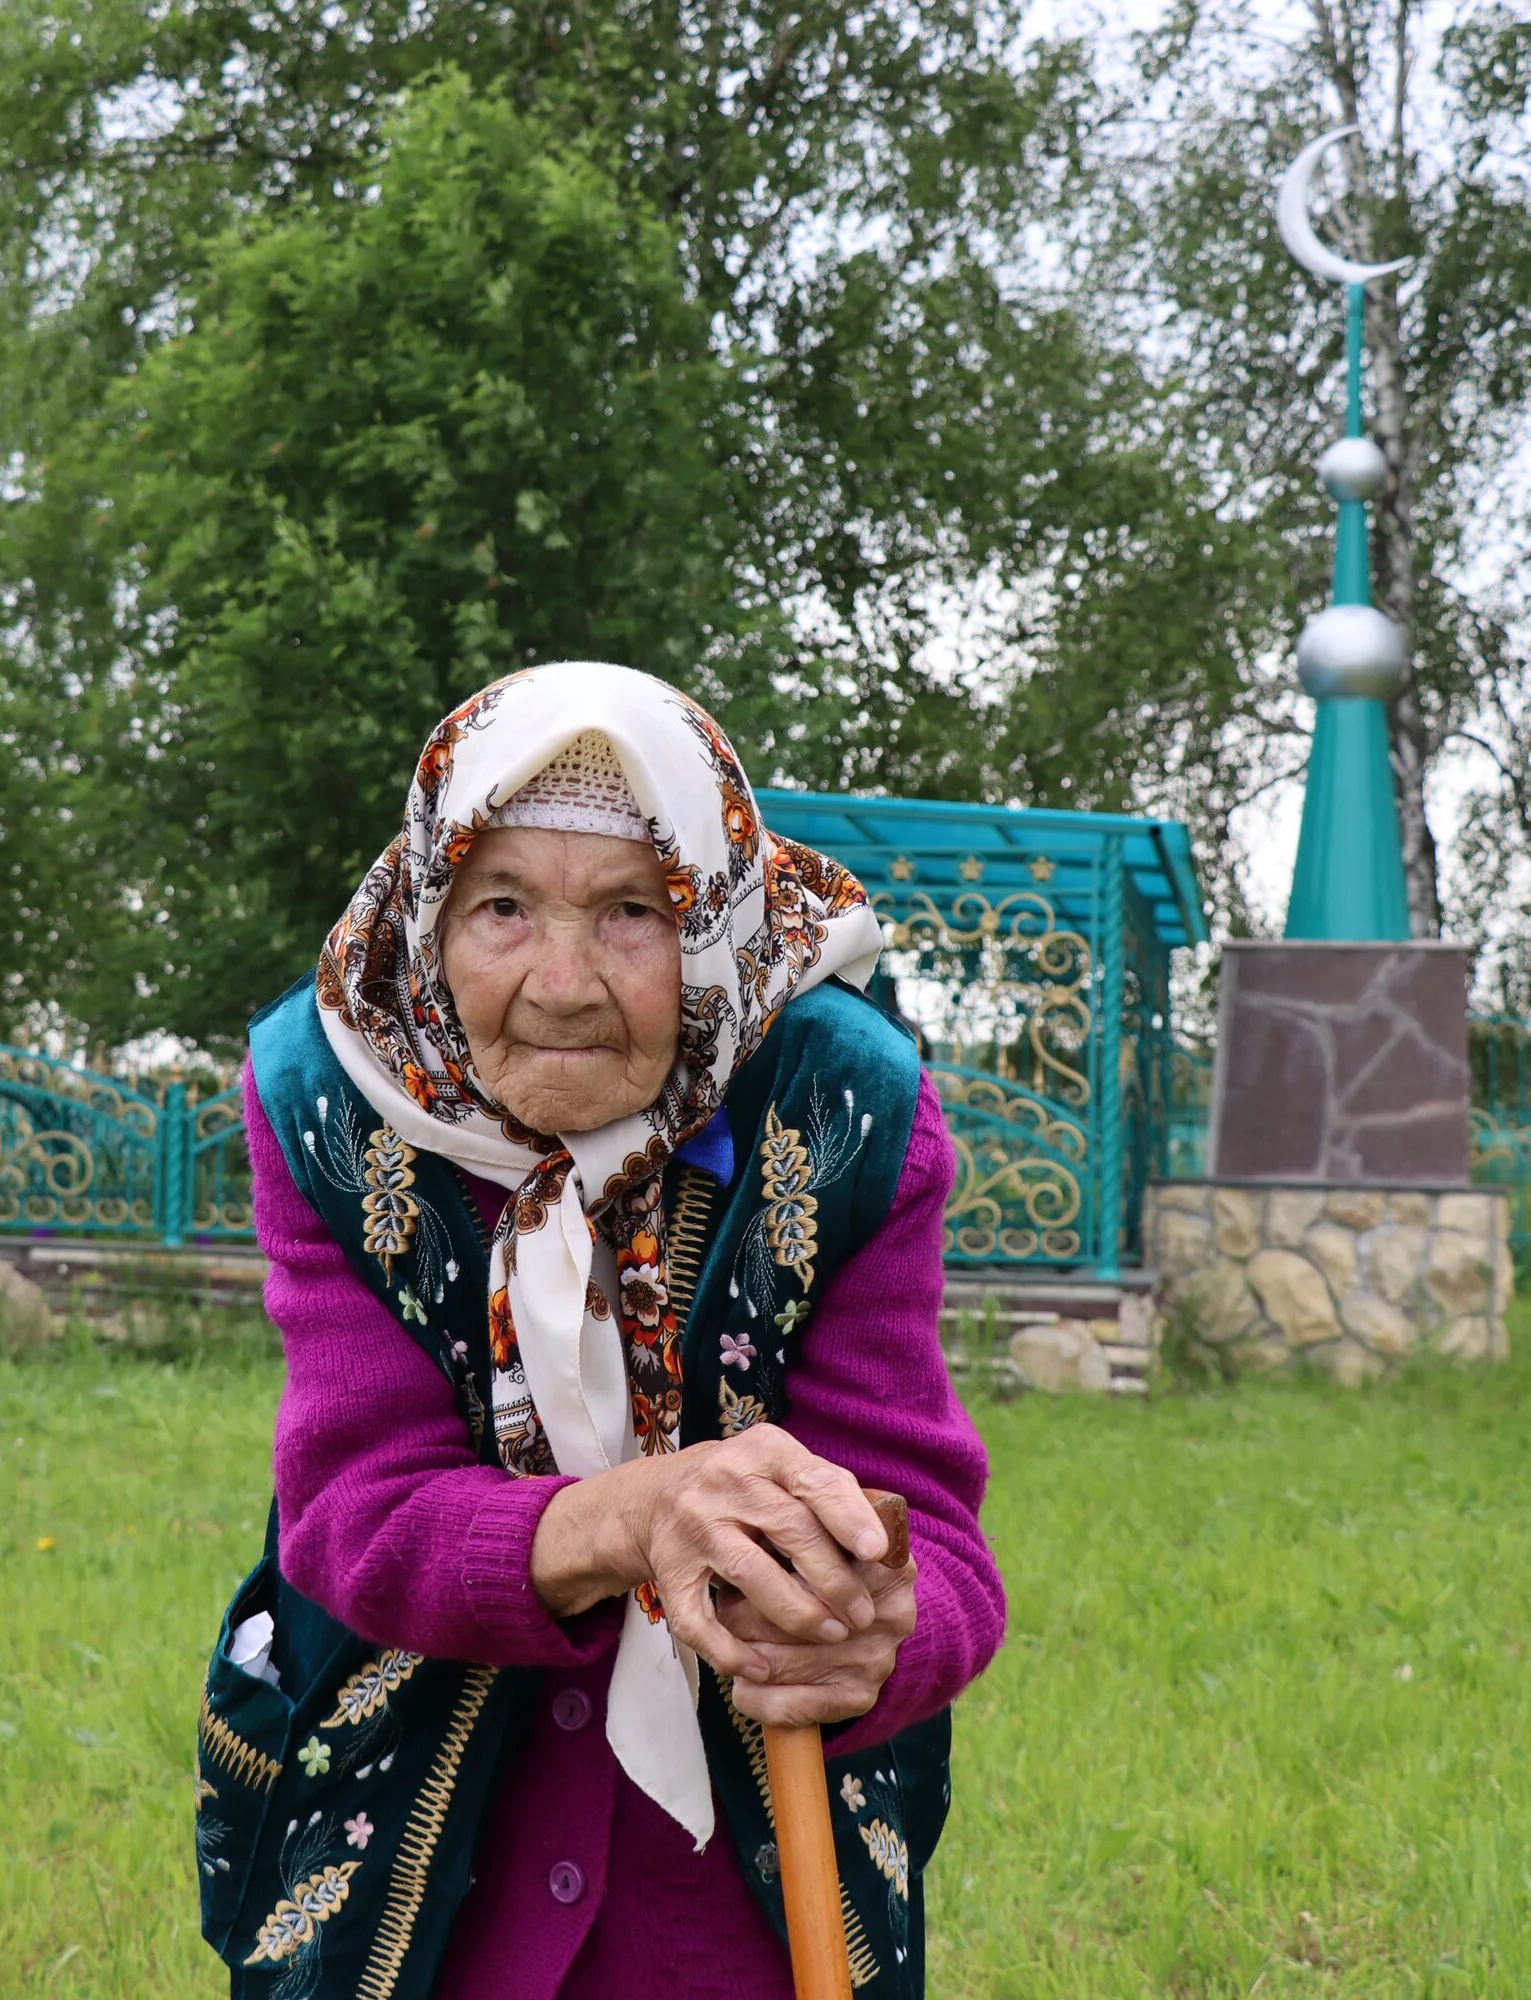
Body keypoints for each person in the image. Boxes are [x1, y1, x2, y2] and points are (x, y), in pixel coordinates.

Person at [196, 662, 1004, 2000]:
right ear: (427, 904)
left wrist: (875, 1631)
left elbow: (940, 1550)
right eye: (503, 905)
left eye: (635, 910)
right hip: (405, 1862)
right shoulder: (329, 1095)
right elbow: (355, 1510)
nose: (564, 985)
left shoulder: (845, 1109)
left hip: (739, 1895)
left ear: (713, 915)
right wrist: (642, 1515)